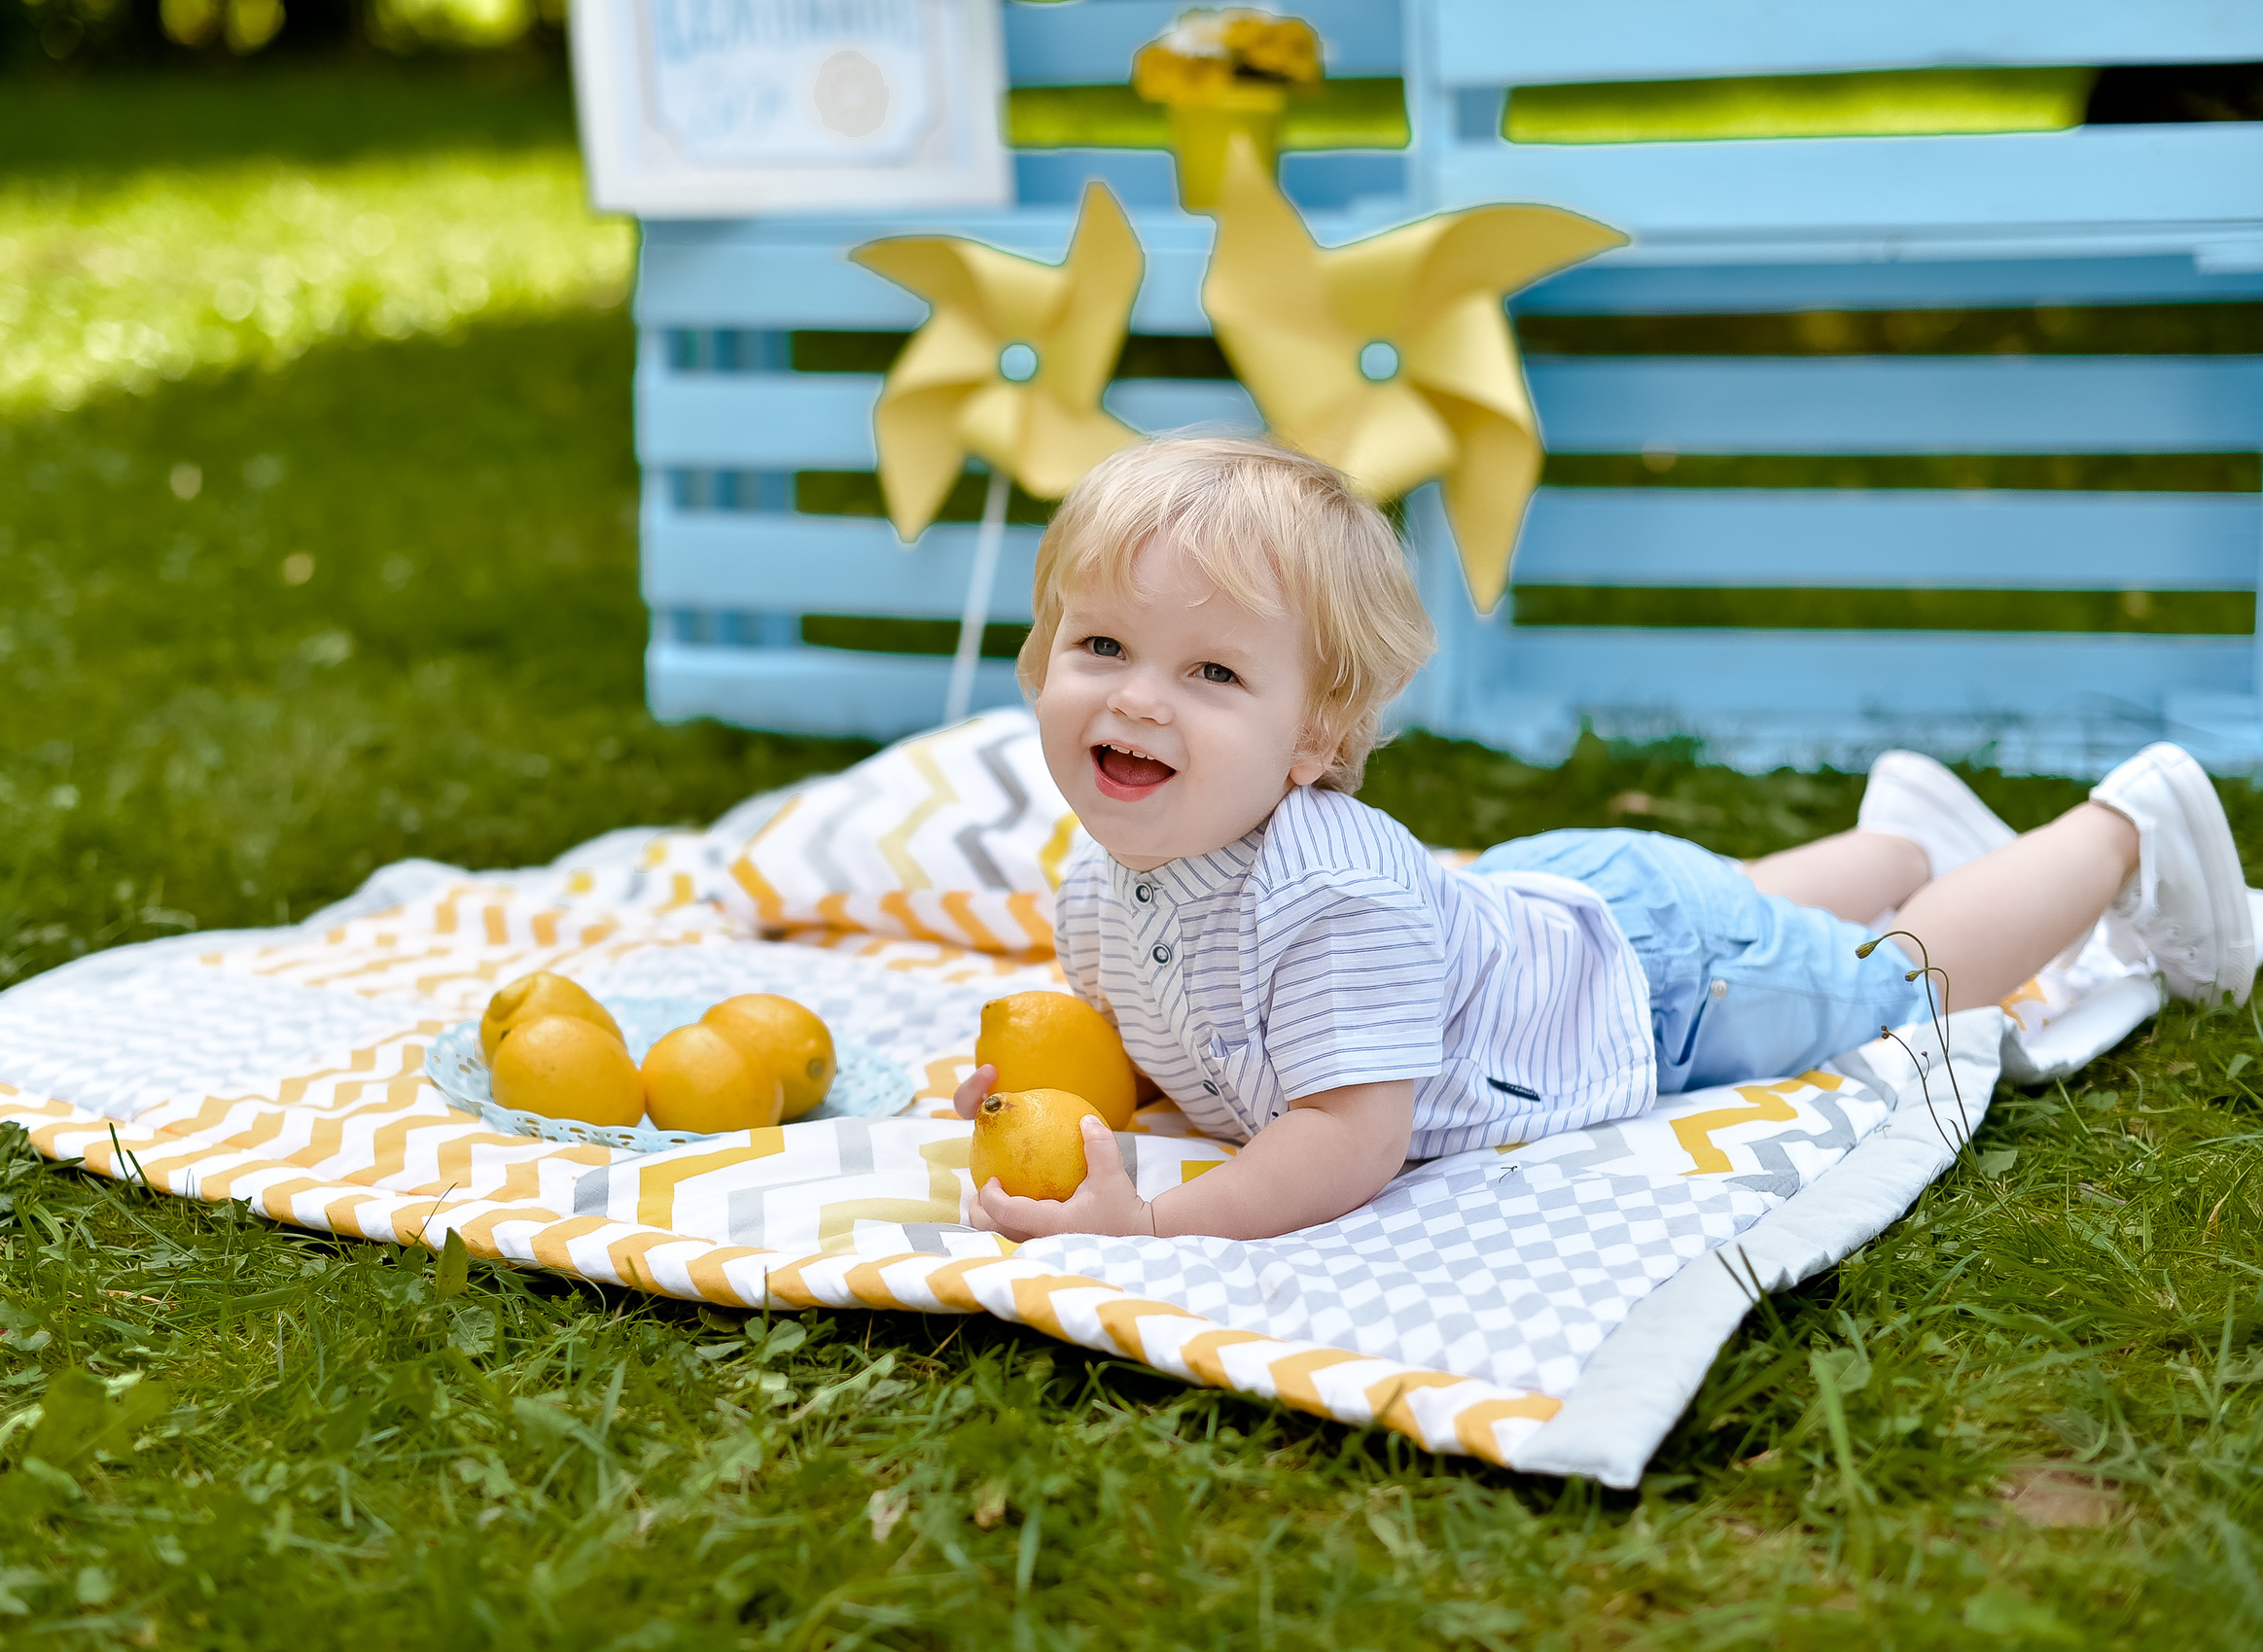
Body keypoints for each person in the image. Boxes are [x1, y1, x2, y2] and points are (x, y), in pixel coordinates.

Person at [955, 436, 2256, 1242]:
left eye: (1212, 673)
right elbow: (1156, 1023)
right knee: (1743, 904)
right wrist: (1055, 1101)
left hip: (1661, 994)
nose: (1138, 699)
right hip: (1561, 910)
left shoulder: (1331, 899)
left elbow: (1345, 1140)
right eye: (1103, 645)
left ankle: (2122, 828)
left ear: (1315, 738)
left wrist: (1155, 1223)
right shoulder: (1108, 874)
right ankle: (1906, 841)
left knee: (1887, 987)